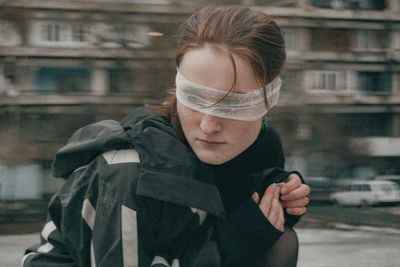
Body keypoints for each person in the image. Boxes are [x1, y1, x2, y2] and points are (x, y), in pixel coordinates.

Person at [22, 5, 310, 267]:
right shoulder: (128, 173)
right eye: (194, 97)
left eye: (234, 105)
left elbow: (226, 203)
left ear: (269, 99)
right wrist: (232, 245)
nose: (208, 126)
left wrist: (279, 194)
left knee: (280, 242)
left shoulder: (260, 147)